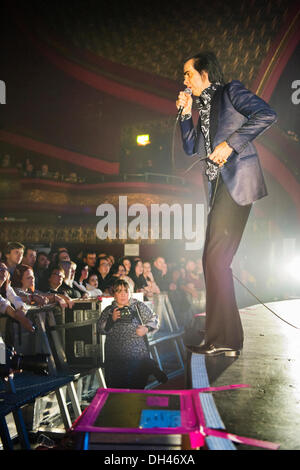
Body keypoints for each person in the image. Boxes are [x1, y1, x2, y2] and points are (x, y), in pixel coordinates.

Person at [176, 51, 277, 356]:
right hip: (218, 189)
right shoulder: (201, 106)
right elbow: (191, 147)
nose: (184, 80)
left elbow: (267, 114)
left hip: (237, 183)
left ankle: (223, 338)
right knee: (212, 261)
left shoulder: (230, 92)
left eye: (188, 73)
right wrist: (184, 114)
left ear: (204, 72)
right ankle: (227, 336)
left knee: (216, 260)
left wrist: (230, 143)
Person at [97, 279, 167, 388]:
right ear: (114, 294)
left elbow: (155, 319)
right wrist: (111, 319)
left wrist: (146, 328)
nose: (123, 294)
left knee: (136, 392)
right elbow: (100, 329)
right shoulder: (109, 310)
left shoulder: (138, 306)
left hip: (137, 358)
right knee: (118, 394)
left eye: (126, 291)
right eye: (119, 291)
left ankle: (150, 366)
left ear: (130, 292)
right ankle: (151, 366)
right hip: (116, 359)